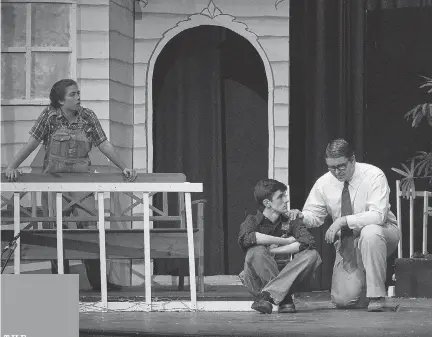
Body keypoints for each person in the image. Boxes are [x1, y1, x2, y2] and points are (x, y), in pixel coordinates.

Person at [4, 78, 137, 290]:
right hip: (54, 183)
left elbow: (103, 144)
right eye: (72, 94)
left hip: (81, 183)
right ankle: (61, 284)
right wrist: (12, 166)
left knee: (90, 229)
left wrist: (124, 167)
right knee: (56, 230)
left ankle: (99, 283)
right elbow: (32, 144)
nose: (78, 97)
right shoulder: (49, 116)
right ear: (59, 100)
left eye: (78, 93)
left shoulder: (88, 116)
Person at [287, 139, 401, 312]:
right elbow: (315, 216)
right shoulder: (324, 182)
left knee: (370, 233)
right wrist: (301, 216)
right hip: (349, 241)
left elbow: (378, 215)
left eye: (341, 166)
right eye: (331, 167)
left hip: (383, 233)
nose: (337, 172)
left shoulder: (373, 175)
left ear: (352, 159)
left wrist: (342, 220)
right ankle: (364, 283)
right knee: (343, 301)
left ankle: (377, 295)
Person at [238, 179, 322, 314]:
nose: (286, 200)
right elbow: (248, 238)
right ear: (267, 203)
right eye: (280, 197)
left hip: (284, 276)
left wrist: (272, 250)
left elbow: (307, 241)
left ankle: (270, 296)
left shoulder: (291, 220)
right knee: (256, 250)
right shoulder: (252, 220)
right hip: (257, 281)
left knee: (312, 255)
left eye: (285, 195)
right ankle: (284, 297)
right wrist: (286, 241)